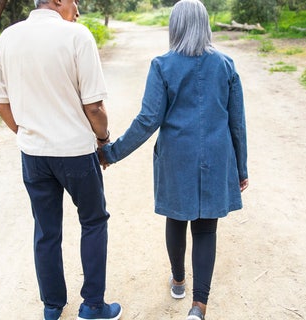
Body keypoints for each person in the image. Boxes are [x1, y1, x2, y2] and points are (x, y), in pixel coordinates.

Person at [99, 0, 248, 319]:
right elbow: (237, 122)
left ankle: (179, 281)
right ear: (205, 25)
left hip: (176, 157)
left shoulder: (162, 65)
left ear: (175, 27)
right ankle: (199, 307)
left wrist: (111, 152)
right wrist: (242, 168)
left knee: (177, 219)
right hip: (216, 156)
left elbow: (147, 120)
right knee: (207, 230)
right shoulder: (226, 64)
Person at [0, 0, 122, 319]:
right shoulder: (77, 36)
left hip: (34, 155)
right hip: (75, 152)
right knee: (92, 221)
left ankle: (52, 306)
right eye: (75, 1)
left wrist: (26, 131)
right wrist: (103, 140)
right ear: (60, 0)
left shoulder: (8, 36)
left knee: (46, 230)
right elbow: (94, 108)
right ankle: (92, 305)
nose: (77, 9)